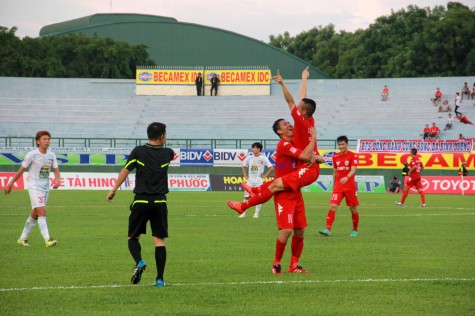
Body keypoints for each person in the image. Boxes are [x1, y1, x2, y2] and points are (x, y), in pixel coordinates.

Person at [226, 67, 324, 214]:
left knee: (275, 186)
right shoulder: (310, 119)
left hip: (308, 168)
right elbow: (304, 97)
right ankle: (255, 190)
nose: (296, 108)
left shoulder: (301, 121)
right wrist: (304, 78)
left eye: (299, 108)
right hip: (308, 167)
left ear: (303, 112)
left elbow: (290, 101)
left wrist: (283, 84)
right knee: (277, 182)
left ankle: (243, 206)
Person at [106, 122, 174, 288]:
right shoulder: (168, 153)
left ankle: (140, 261)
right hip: (159, 201)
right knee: (159, 241)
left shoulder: (138, 151)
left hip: (141, 200)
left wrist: (114, 189)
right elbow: (166, 155)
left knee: (133, 237)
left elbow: (125, 170)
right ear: (163, 136)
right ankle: (159, 279)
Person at [270, 118, 314, 274]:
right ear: (279, 132)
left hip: (295, 191)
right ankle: (276, 263)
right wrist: (313, 138)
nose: (289, 125)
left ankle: (294, 265)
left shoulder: (294, 143)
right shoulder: (284, 144)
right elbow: (305, 156)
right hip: (283, 194)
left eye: (289, 122)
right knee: (287, 230)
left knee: (300, 229)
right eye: (284, 124)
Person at [3, 130, 60, 247]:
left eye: (48, 139)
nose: (47, 141)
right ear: (38, 142)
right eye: (44, 139)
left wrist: (58, 180)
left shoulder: (51, 155)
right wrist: (10, 184)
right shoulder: (32, 155)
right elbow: (21, 170)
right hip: (34, 187)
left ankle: (22, 239)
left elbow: (56, 170)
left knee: (35, 213)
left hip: (45, 188)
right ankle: (47, 239)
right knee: (42, 211)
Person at [318, 136, 360, 237]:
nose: (341, 146)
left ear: (347, 144)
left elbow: (353, 170)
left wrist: (347, 177)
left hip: (350, 186)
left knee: (352, 208)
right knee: (332, 205)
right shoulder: (335, 156)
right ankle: (327, 229)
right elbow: (335, 171)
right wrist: (334, 185)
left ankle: (355, 230)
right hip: (338, 187)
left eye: (343, 144)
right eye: (339, 144)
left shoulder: (353, 155)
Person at [239, 142, 274, 219]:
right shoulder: (249, 157)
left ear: (259, 149)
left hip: (259, 181)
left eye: (254, 147)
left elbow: (271, 168)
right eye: (252, 147)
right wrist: (245, 176)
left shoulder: (263, 158)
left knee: (259, 198)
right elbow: (243, 166)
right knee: (246, 197)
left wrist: (264, 176)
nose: (253, 149)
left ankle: (256, 214)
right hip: (250, 181)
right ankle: (243, 213)